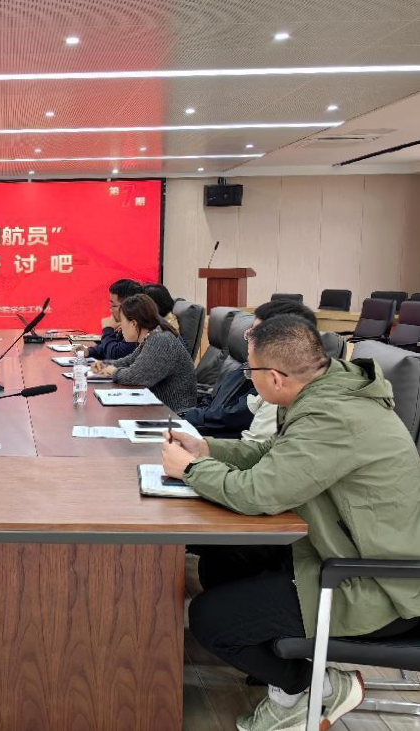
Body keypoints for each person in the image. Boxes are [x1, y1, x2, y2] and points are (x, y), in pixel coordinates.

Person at [162, 315, 420, 731]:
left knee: (211, 620)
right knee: (225, 560)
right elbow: (275, 454)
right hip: (338, 551)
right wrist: (206, 449)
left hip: (380, 584)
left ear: (276, 378)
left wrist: (191, 470)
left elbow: (259, 493)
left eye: (250, 370)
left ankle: (313, 687)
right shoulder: (325, 391)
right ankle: (282, 680)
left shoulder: (332, 416)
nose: (248, 377)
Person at [183, 300, 318, 438]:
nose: (247, 339)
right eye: (250, 332)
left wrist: (189, 422)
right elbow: (213, 398)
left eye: (254, 335)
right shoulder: (247, 367)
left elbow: (234, 421)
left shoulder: (279, 386)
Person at [90, 293, 197, 412]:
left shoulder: (161, 340)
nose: (120, 328)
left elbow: (135, 377)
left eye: (122, 322)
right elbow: (129, 361)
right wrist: (105, 364)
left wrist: (113, 371)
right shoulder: (152, 337)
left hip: (175, 414)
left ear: (134, 324)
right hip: (157, 410)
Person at [83, 279, 144, 360]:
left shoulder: (136, 326)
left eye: (114, 306)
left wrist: (108, 329)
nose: (110, 310)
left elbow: (115, 355)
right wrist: (89, 351)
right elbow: (110, 346)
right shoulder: (125, 324)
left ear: (128, 305)